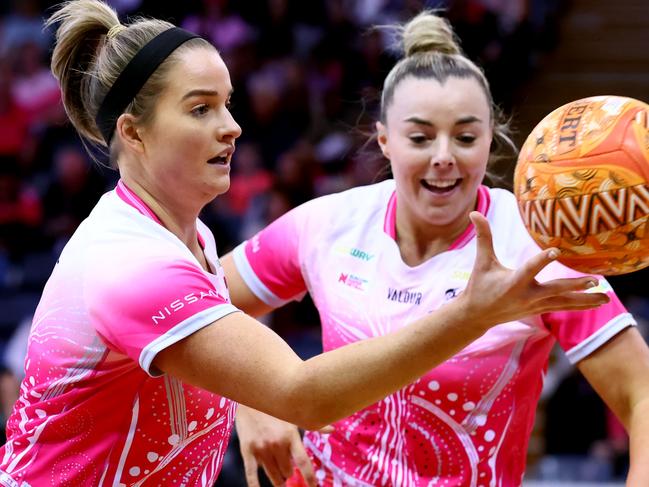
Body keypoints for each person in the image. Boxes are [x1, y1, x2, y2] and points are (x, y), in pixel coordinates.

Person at [0, 2, 608, 486]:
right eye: (201, 108)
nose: (231, 125)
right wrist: (473, 313)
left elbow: (237, 360)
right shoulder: (131, 265)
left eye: (228, 104)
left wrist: (251, 401)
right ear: (133, 133)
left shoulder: (194, 240)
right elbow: (305, 395)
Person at [225, 11, 649, 487]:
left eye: (466, 137)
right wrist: (252, 398)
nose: (444, 156)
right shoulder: (329, 223)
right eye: (421, 137)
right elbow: (198, 301)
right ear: (385, 140)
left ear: (491, 139)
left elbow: (642, 396)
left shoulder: (537, 247)